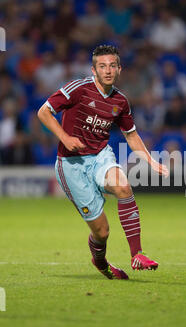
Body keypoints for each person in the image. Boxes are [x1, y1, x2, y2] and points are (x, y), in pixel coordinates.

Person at [37, 45, 169, 280]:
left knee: (123, 186)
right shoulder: (78, 89)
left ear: (119, 69)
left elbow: (131, 134)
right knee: (102, 232)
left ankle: (137, 254)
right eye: (102, 66)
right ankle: (101, 262)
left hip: (100, 157)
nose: (107, 70)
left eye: (112, 65)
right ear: (93, 69)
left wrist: (150, 160)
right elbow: (44, 112)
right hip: (71, 166)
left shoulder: (121, 101)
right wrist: (65, 138)